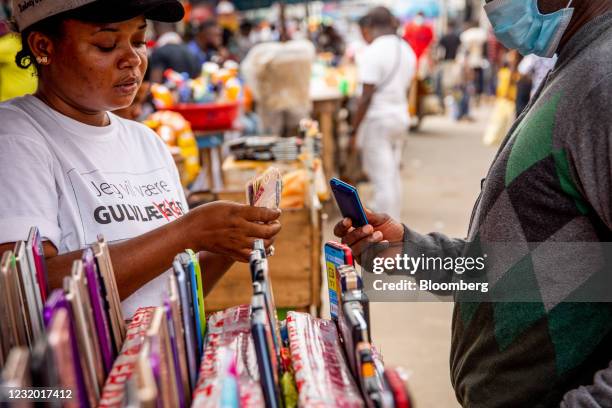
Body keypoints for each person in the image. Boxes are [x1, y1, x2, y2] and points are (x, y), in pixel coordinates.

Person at [335, 0, 612, 406]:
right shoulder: (573, 66)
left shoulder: (602, 79)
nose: (491, 5)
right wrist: (411, 252)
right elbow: (519, 265)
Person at [0, 0, 281, 317]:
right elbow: (26, 291)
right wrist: (189, 232)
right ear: (42, 46)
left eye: (139, 41)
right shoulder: (14, 138)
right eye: (106, 44)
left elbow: (174, 290)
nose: (132, 59)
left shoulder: (147, 142)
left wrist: (230, 243)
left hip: (159, 361)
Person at [352, 7, 416, 220]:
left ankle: (384, 227)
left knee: (382, 179)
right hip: (400, 117)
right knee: (392, 175)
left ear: (369, 26)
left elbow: (366, 96)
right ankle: (394, 223)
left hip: (378, 120)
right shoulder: (405, 49)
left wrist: (354, 129)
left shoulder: (373, 51)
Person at [459, 21, 487, 104]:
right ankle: (478, 95)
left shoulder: (467, 35)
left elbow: (465, 51)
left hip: (470, 61)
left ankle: (472, 95)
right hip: (479, 60)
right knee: (479, 79)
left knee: (471, 80)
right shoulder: (481, 34)